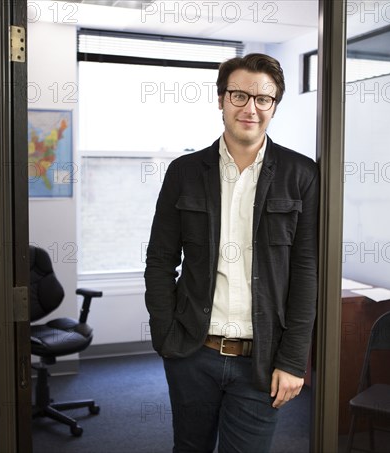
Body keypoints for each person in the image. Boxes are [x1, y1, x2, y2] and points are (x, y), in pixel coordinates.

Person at [144, 53, 319, 453]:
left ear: (274, 105)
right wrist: (165, 335)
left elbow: (306, 273)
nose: (250, 108)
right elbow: (159, 260)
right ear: (221, 99)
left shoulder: (301, 175)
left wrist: (293, 360)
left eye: (263, 99)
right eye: (239, 95)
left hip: (261, 361)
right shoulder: (184, 172)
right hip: (192, 352)